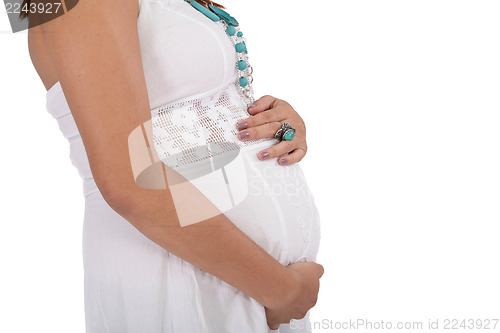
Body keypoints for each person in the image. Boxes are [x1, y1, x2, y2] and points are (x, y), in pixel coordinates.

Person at [26, 0, 323, 331]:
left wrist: (267, 120)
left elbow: (178, 105)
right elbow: (129, 184)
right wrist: (282, 290)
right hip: (184, 274)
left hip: (243, 280)